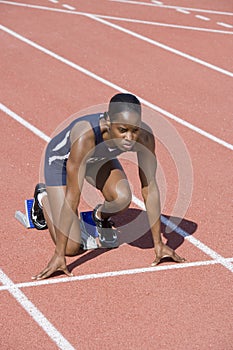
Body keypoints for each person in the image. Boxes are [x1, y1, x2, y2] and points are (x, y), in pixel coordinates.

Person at [31, 93, 185, 280]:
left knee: (122, 198)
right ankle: (43, 197)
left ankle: (98, 217)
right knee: (72, 247)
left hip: (98, 158)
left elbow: (150, 187)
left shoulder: (144, 137)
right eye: (122, 130)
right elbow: (73, 196)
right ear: (108, 120)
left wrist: (158, 244)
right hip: (61, 163)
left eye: (134, 130)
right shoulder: (85, 135)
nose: (129, 137)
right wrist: (59, 255)